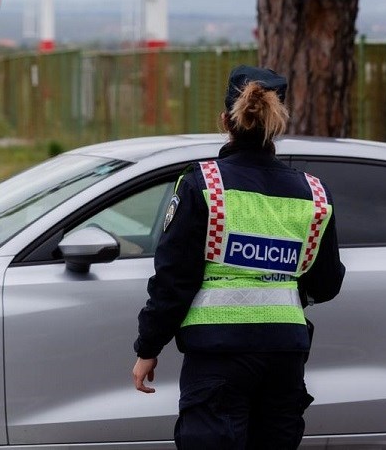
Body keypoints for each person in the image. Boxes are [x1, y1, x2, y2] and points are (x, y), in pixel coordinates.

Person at [131, 65, 345, 450]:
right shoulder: (313, 193)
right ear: (278, 124)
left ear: (225, 120)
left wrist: (148, 347)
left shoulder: (203, 184)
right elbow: (326, 283)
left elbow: (174, 280)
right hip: (284, 356)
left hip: (218, 356)